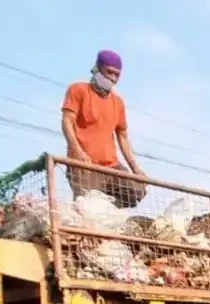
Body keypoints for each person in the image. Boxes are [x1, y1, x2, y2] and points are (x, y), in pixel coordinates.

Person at [61, 50, 146, 209]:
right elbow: (67, 121)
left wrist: (135, 168)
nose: (112, 78)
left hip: (111, 166)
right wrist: (77, 151)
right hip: (84, 165)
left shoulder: (117, 102)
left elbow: (123, 137)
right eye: (109, 72)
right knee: (86, 206)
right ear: (98, 68)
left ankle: (108, 213)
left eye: (117, 75)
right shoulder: (78, 90)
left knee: (137, 190)